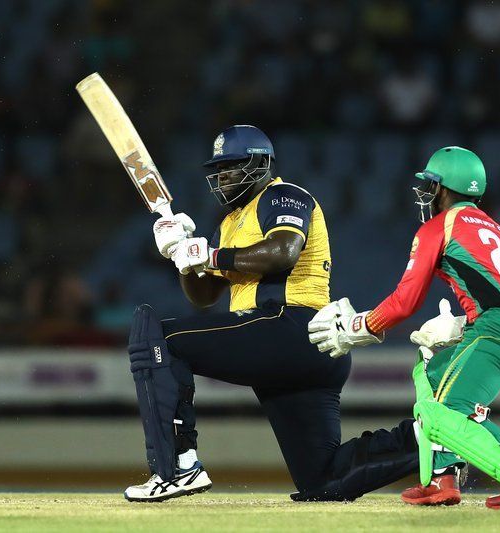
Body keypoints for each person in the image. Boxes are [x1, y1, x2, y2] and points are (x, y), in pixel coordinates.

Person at [124, 125, 419, 502]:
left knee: (158, 337)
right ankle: (430, 439)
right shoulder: (230, 224)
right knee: (322, 479)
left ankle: (176, 467)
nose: (221, 176)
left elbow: (283, 252)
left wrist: (210, 255)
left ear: (260, 163)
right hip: (302, 351)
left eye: (231, 166)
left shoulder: (283, 194)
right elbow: (204, 295)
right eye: (218, 169)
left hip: (292, 326)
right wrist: (181, 255)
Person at [309, 146, 500, 509]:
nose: (425, 193)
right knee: (430, 374)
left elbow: (405, 301)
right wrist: (462, 323)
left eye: (431, 185)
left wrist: (359, 326)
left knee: (441, 413)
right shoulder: (493, 226)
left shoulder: (439, 227)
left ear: (444, 189)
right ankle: (441, 478)